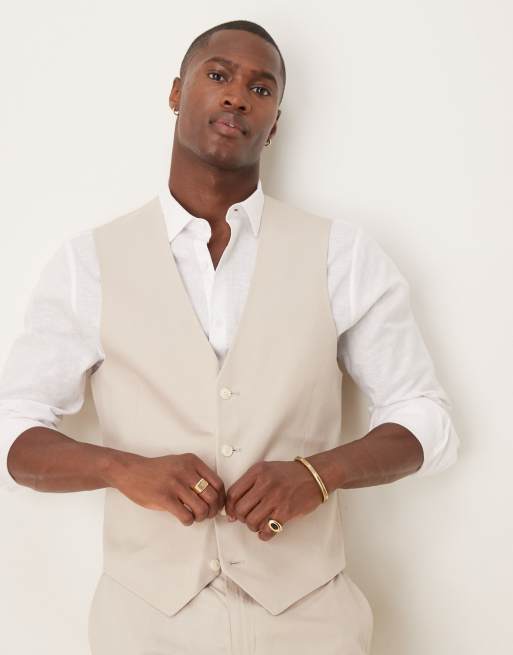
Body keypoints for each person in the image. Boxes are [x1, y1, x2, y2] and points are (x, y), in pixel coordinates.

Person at [0, 19, 459, 655]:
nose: (238, 96)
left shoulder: (342, 255)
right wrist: (121, 467)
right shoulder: (89, 263)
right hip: (144, 624)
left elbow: (427, 421)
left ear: (275, 124)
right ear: (175, 92)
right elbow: (15, 431)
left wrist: (318, 474)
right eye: (218, 75)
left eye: (261, 89)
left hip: (312, 619)